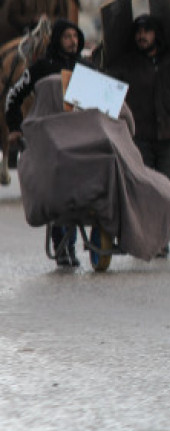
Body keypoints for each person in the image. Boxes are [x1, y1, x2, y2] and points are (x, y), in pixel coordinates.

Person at [104, 13, 170, 257]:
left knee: (166, 190)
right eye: (139, 32)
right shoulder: (126, 64)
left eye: (147, 31)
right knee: (142, 189)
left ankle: (161, 241)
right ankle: (141, 239)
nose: (142, 36)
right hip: (140, 137)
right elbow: (108, 83)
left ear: (156, 35)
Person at [5, 18, 87, 267]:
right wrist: (15, 128)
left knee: (76, 194)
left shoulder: (86, 67)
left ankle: (69, 245)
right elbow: (13, 96)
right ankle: (61, 244)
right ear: (57, 40)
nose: (72, 42)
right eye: (67, 37)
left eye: (75, 37)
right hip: (51, 142)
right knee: (59, 194)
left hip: (81, 142)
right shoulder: (41, 68)